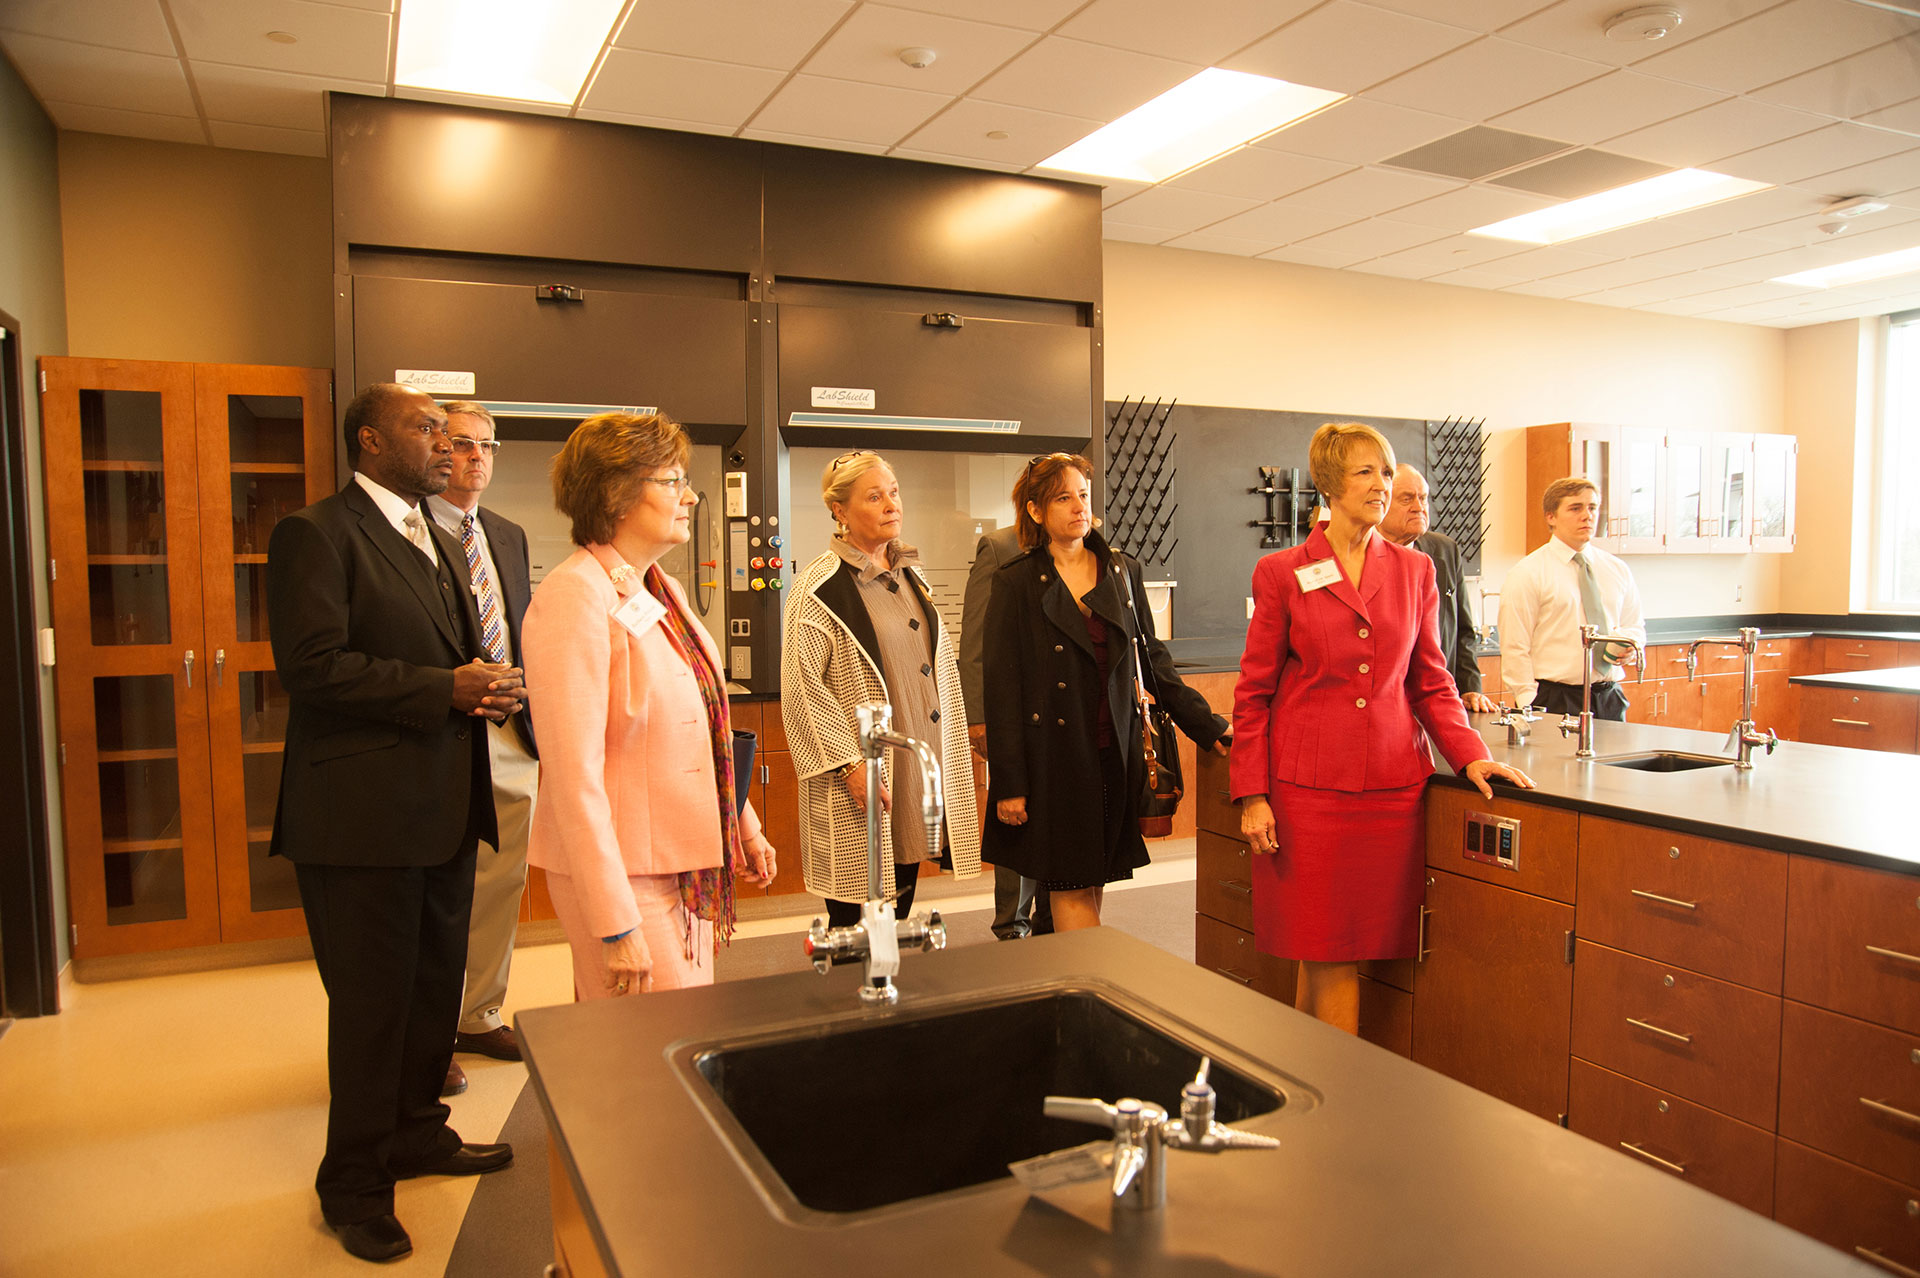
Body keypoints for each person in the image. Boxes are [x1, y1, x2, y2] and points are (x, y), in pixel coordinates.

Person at [267, 383, 527, 1264]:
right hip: (360, 822)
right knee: (373, 1012)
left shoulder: (439, 539)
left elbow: (445, 653)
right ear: (373, 441)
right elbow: (311, 668)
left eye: (455, 437)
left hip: (446, 811)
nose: (449, 447)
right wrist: (443, 690)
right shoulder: (319, 533)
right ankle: (354, 1186)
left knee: (430, 997)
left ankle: (420, 1131)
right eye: (429, 432)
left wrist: (484, 687)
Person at [1232, 423, 1534, 1034]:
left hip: (1391, 789)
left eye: (1388, 472)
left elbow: (1430, 679)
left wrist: (1469, 755)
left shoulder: (1415, 571)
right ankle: (1337, 1103)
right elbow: (1254, 694)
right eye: (1365, 472)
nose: (1381, 484)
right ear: (1329, 483)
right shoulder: (1283, 571)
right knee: (1326, 952)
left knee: (1331, 955)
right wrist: (1253, 794)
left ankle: (1310, 1086)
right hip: (1309, 790)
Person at [522, 412, 775, 1002]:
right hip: (622, 871)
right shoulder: (573, 595)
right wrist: (614, 920)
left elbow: (701, 723)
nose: (689, 496)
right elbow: (572, 775)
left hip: (679, 855)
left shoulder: (659, 586)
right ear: (615, 493)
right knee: (646, 1056)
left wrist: (743, 821)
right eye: (670, 480)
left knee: (671, 1042)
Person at [982, 453, 1228, 932]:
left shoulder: (1121, 571)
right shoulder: (1016, 581)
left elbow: (1153, 661)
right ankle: (1089, 990)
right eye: (1062, 498)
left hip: (1114, 750)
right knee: (1071, 884)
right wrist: (1009, 782)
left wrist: (1207, 724)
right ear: (1036, 512)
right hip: (1052, 759)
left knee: (1093, 880)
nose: (1078, 507)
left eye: (1083, 495)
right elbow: (1002, 688)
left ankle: (1077, 986)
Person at [782, 450, 981, 925]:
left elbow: (938, 670)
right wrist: (852, 765)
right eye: (875, 496)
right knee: (857, 913)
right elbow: (803, 689)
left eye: (893, 492)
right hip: (861, 772)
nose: (892, 504)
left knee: (898, 902)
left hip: (912, 763)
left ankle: (887, 992)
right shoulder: (817, 588)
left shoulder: (912, 574)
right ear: (840, 511)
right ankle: (855, 993)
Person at [423, 401, 539, 1096]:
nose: (475, 458)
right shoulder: (409, 531)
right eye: (462, 444)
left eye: (487, 446)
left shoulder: (506, 533)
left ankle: (477, 1013)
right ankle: (427, 1038)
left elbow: (521, 627)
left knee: (502, 884)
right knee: (441, 895)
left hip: (511, 734)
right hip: (443, 734)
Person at [960, 522, 1051, 939]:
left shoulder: (1088, 551)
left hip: (1071, 721)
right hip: (1015, 716)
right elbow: (977, 643)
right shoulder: (999, 547)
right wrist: (978, 716)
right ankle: (1012, 928)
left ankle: (1055, 922)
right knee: (1018, 818)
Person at [1497, 476, 1646, 720]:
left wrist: (1631, 644)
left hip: (1608, 696)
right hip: (1553, 698)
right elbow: (1515, 647)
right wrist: (1527, 702)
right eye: (1575, 508)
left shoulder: (1616, 569)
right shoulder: (1528, 573)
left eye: (1592, 507)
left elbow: (1634, 626)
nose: (1587, 516)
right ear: (1551, 517)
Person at [1379, 463, 1497, 713]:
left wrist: (1470, 687)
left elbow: (1464, 631)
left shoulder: (1444, 551)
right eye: (1407, 499)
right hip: (1385, 702)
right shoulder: (1359, 556)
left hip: (1438, 700)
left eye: (1423, 498)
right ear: (1382, 503)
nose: (1419, 507)